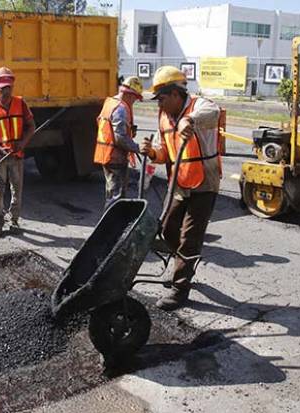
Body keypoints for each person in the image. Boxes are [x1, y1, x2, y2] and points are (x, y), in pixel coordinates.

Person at [139, 66, 222, 311]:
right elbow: (163, 151)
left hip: (204, 183)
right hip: (179, 182)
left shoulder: (199, 106)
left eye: (162, 99)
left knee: (189, 238)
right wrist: (152, 152)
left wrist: (191, 120)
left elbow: (214, 112)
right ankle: (182, 265)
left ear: (176, 94)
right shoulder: (164, 117)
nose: (159, 105)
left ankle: (180, 289)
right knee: (167, 230)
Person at [0, 67, 35, 238]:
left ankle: (14, 220)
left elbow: (31, 127)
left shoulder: (20, 103)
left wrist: (23, 143)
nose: (6, 90)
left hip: (16, 156)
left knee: (17, 189)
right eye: (2, 87)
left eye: (9, 87)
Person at [94, 76, 144, 209]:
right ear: (130, 95)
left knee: (112, 193)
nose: (134, 102)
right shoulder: (120, 108)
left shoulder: (110, 103)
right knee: (116, 198)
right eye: (135, 98)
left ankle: (112, 224)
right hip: (115, 157)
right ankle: (111, 226)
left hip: (107, 155)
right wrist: (137, 148)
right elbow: (120, 138)